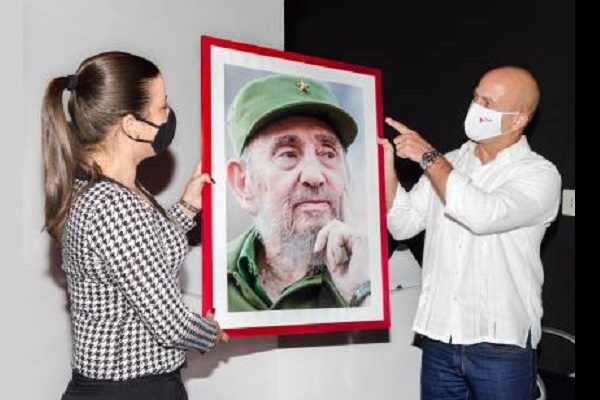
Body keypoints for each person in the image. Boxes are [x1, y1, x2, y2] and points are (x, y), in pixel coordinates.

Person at [42, 51, 229, 400]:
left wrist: (188, 205)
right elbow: (170, 324)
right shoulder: (111, 205)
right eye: (162, 107)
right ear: (131, 125)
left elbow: (147, 254)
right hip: (129, 390)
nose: (169, 117)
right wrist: (212, 331)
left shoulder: (117, 190)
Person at [379, 66, 562, 400]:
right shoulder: (450, 162)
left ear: (519, 119)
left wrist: (426, 156)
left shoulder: (539, 174)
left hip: (500, 345)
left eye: (488, 103)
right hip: (439, 338)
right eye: (476, 96)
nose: (476, 106)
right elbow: (403, 223)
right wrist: (387, 169)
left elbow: (481, 215)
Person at [225, 74, 371, 311]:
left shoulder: (367, 276)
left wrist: (364, 293)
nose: (314, 176)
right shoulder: (213, 278)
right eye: (288, 154)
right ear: (243, 183)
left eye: (328, 153)